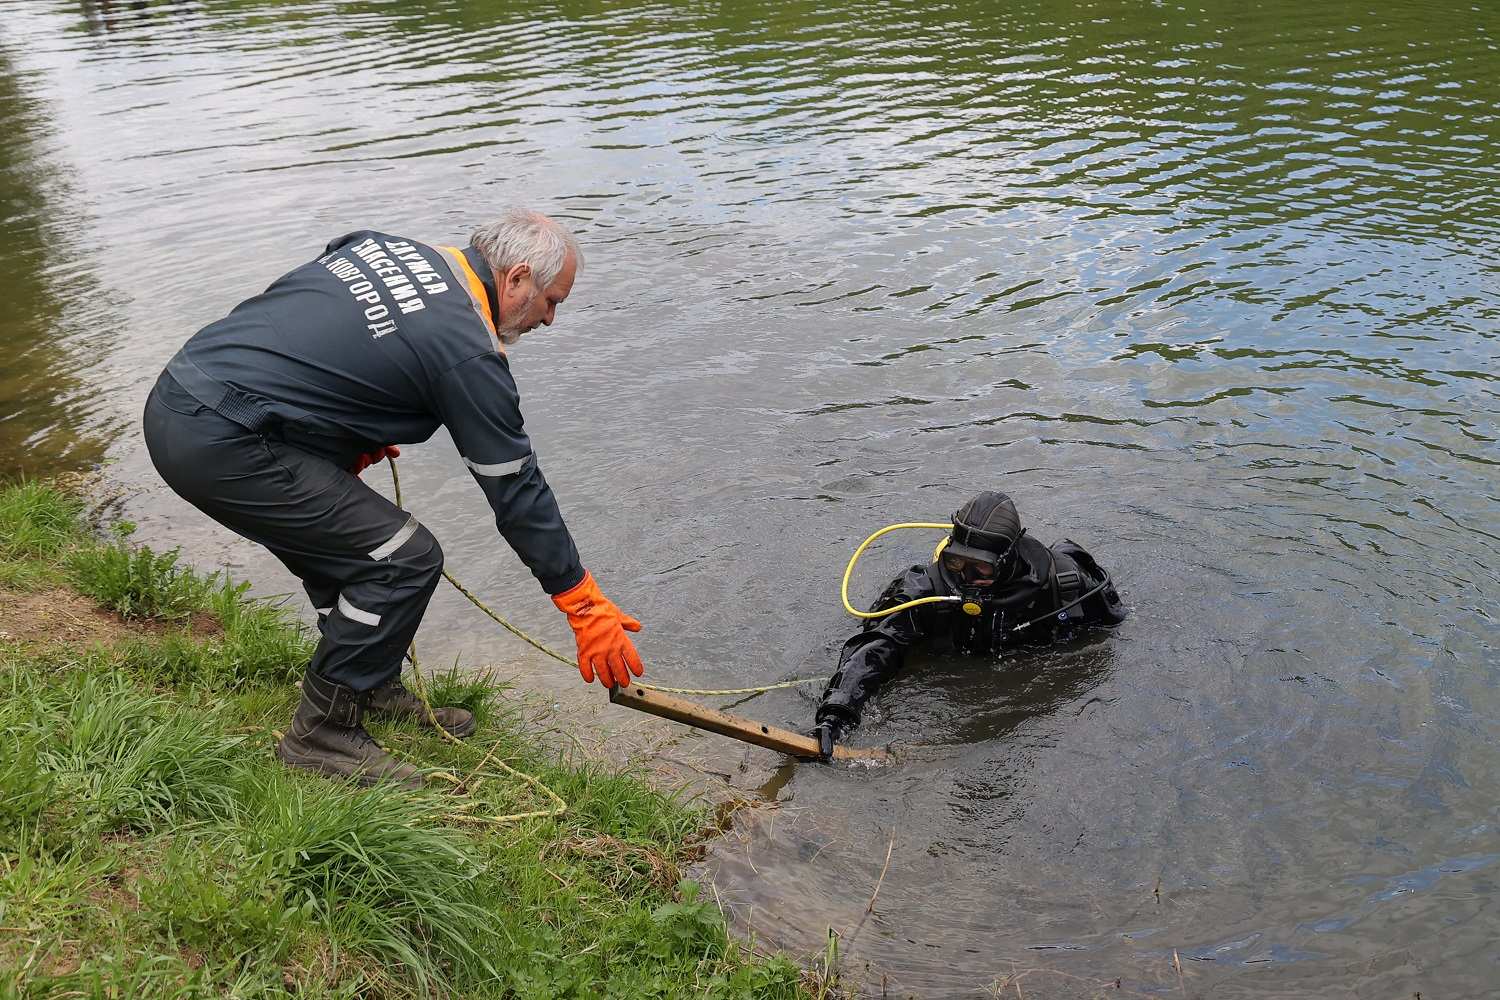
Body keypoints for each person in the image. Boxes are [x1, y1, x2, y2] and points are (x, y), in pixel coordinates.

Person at [143, 208, 644, 788]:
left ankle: (369, 685)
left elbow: (330, 318)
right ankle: (322, 734)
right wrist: (581, 602)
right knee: (403, 558)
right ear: (517, 279)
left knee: (352, 540)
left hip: (188, 391)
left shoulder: (384, 246)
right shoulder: (467, 352)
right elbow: (516, 490)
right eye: (552, 300)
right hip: (220, 439)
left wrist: (341, 424)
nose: (551, 319)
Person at [813, 491, 1126, 758]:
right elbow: (876, 647)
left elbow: (1114, 631)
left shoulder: (1064, 584)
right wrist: (837, 713)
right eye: (956, 562)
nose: (964, 577)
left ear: (1006, 560)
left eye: (980, 568)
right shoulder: (925, 589)